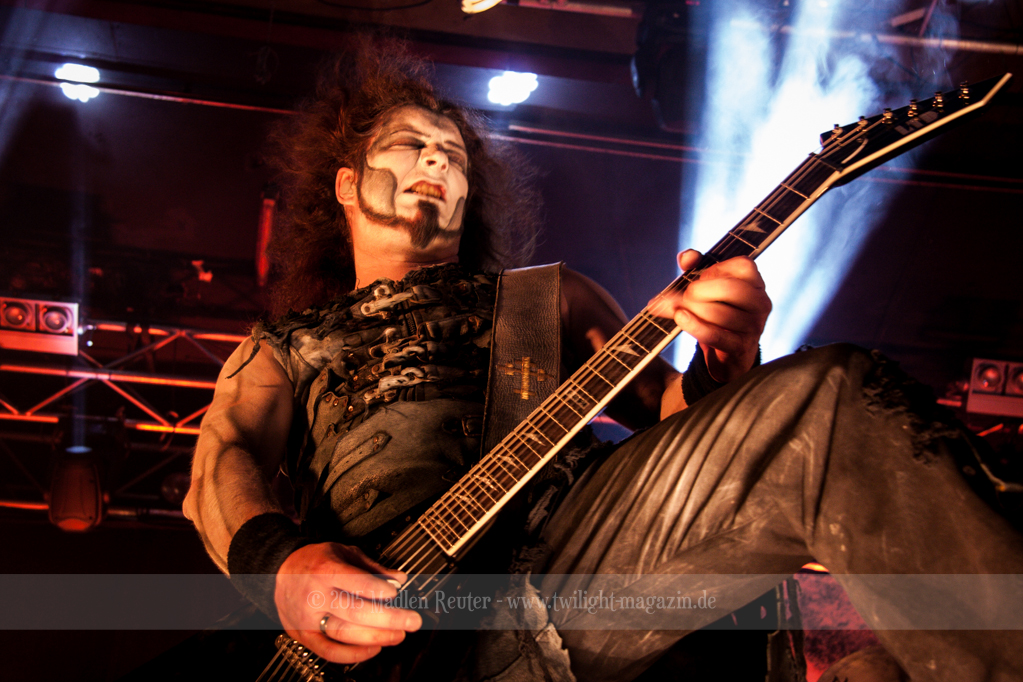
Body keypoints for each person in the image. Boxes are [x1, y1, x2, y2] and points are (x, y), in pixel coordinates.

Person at [183, 41, 1023, 682]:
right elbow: (221, 461)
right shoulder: (285, 343)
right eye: (409, 144)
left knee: (827, 400)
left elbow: (679, 426)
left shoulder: (548, 300)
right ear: (343, 185)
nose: (437, 159)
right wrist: (279, 568)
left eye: (454, 153)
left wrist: (723, 360)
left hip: (580, 566)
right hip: (390, 627)